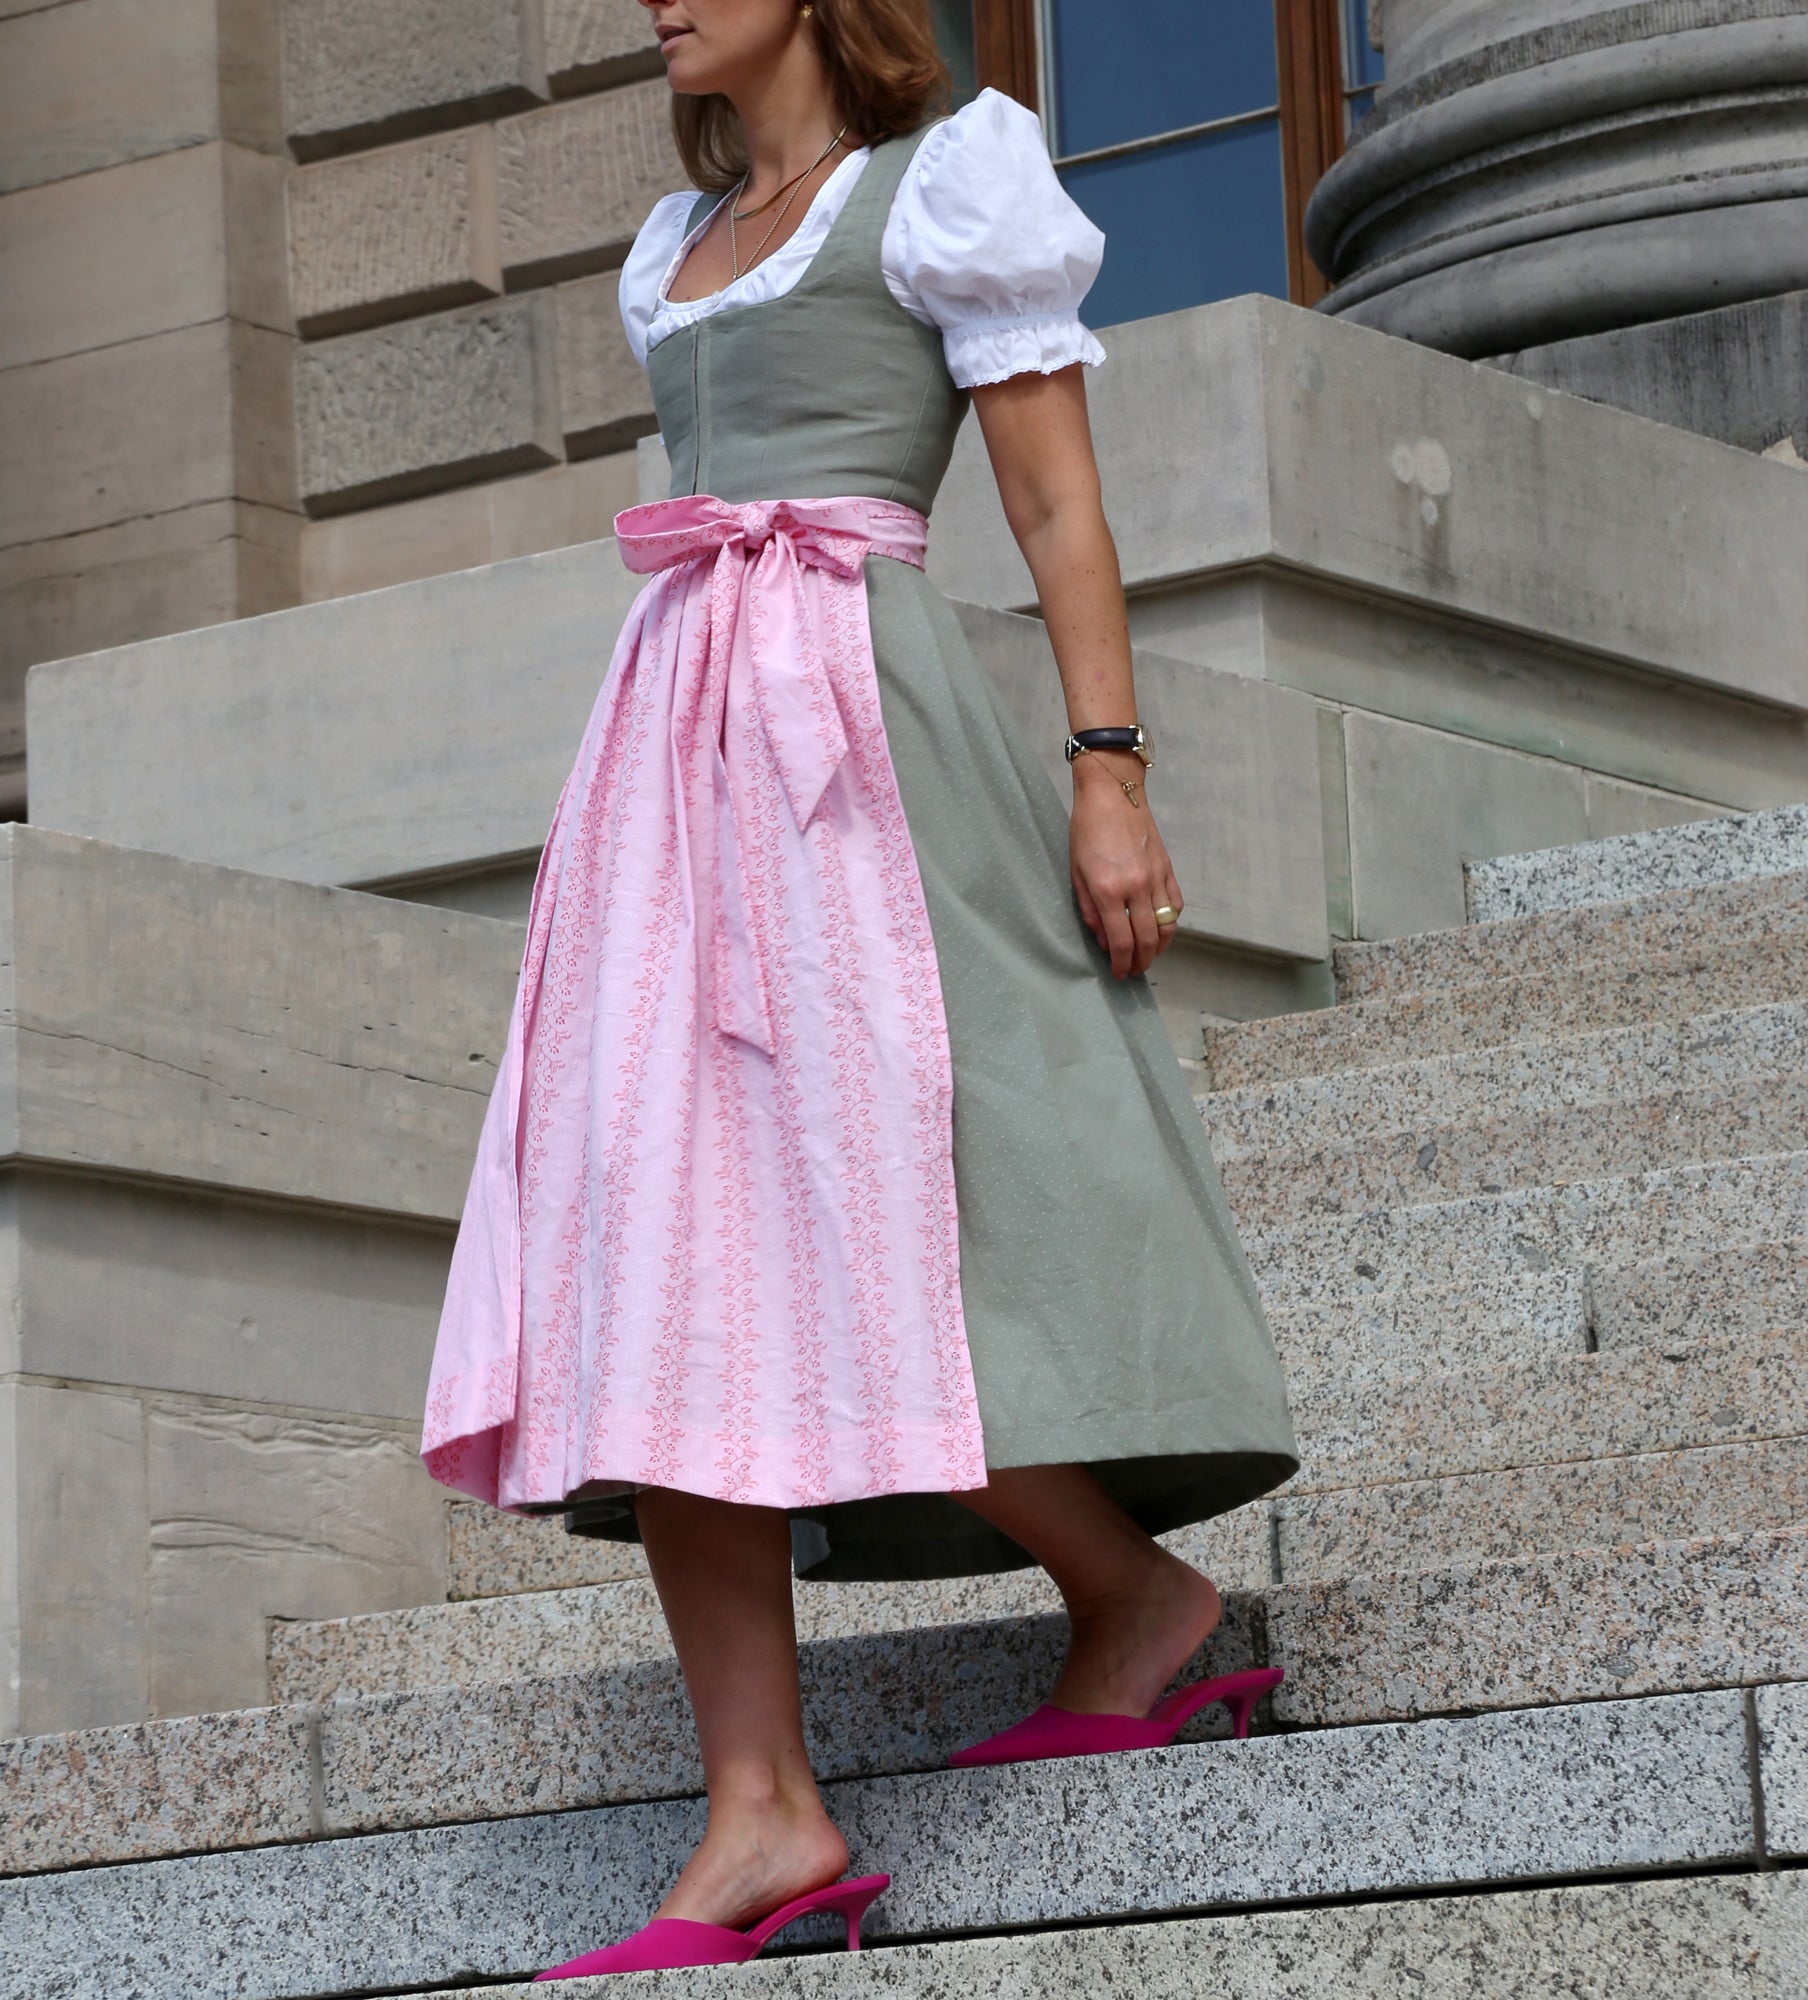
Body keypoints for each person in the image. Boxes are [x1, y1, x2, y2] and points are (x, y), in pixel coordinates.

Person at [422, 0, 1297, 1978]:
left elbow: (1057, 504)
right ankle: (760, 1808)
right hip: (672, 746)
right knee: (657, 1242)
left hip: (857, 730)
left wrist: (1109, 775)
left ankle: (1134, 1602)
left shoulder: (944, 183)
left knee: (889, 1219)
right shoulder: (676, 242)